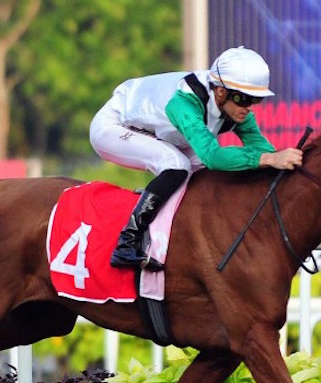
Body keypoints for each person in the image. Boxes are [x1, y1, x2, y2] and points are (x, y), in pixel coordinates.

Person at [90, 46, 303, 270]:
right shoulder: (185, 102)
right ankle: (127, 242)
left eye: (255, 100)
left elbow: (263, 150)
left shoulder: (235, 107)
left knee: (206, 170)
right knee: (178, 165)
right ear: (221, 92)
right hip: (113, 127)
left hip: (160, 134)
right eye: (243, 99)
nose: (248, 108)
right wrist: (268, 159)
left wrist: (285, 161)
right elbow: (214, 156)